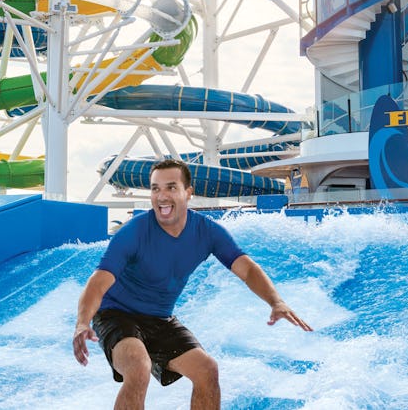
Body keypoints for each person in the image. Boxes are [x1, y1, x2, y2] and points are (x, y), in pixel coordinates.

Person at [72, 158, 313, 409]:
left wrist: (276, 301)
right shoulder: (134, 232)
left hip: (160, 319)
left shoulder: (206, 231)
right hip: (116, 314)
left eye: (171, 188)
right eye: (156, 189)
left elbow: (247, 269)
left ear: (189, 193)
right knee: (138, 368)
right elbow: (98, 283)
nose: (162, 196)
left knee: (207, 369)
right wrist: (82, 323)